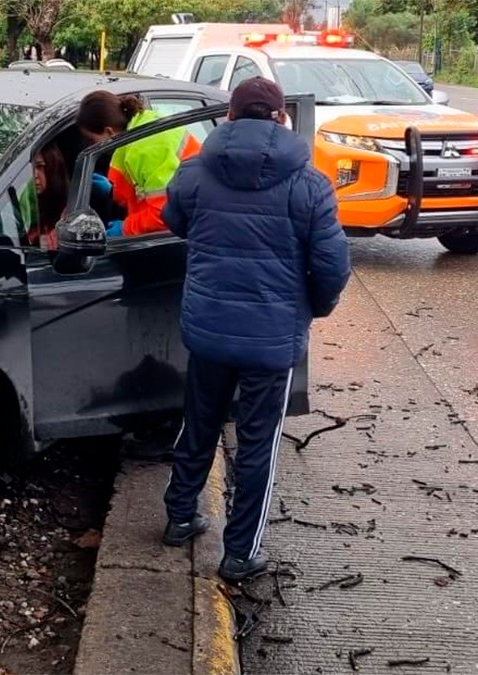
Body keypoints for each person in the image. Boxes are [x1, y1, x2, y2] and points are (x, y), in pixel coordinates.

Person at [159, 77, 351, 581]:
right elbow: (331, 264)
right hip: (271, 338)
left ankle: (180, 516)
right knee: (257, 443)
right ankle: (240, 553)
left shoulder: (194, 172)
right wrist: (317, 306)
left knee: (198, 422)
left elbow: (174, 220)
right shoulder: (310, 184)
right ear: (281, 118)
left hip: (208, 328)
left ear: (230, 116)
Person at [74, 92, 200, 238]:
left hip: (193, 230)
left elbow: (164, 214)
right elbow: (147, 190)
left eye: (91, 140)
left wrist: (126, 228)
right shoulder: (141, 128)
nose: (91, 147)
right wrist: (113, 192)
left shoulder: (145, 148)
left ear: (109, 131)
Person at [25, 144, 69, 250]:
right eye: (30, 168)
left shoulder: (69, 213)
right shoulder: (20, 206)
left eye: (40, 167)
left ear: (53, 169)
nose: (34, 174)